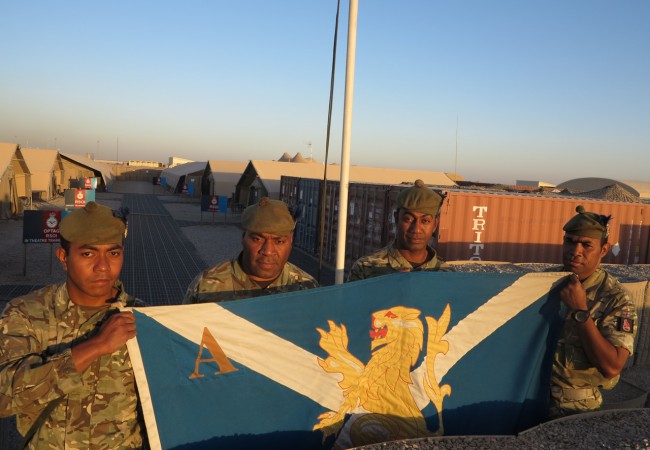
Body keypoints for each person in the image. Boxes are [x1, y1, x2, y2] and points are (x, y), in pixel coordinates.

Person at [0, 201, 145, 449]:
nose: (103, 266)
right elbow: (4, 397)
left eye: (113, 253)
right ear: (64, 257)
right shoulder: (26, 313)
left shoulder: (143, 319)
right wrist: (95, 346)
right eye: (88, 254)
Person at [548, 205, 637, 418]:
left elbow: (612, 366)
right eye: (570, 241)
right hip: (527, 396)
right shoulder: (545, 283)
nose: (575, 251)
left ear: (603, 250)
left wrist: (580, 310)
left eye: (586, 245)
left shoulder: (615, 298)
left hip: (574, 407)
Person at [183, 197, 318, 303]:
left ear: (291, 241)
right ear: (243, 237)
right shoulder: (206, 287)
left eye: (279, 241)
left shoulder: (307, 287)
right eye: (257, 239)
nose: (268, 251)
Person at [348, 179, 450, 281]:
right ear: (396, 219)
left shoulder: (447, 274)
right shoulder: (366, 268)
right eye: (408, 219)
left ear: (435, 224)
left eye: (425, 221)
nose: (416, 229)